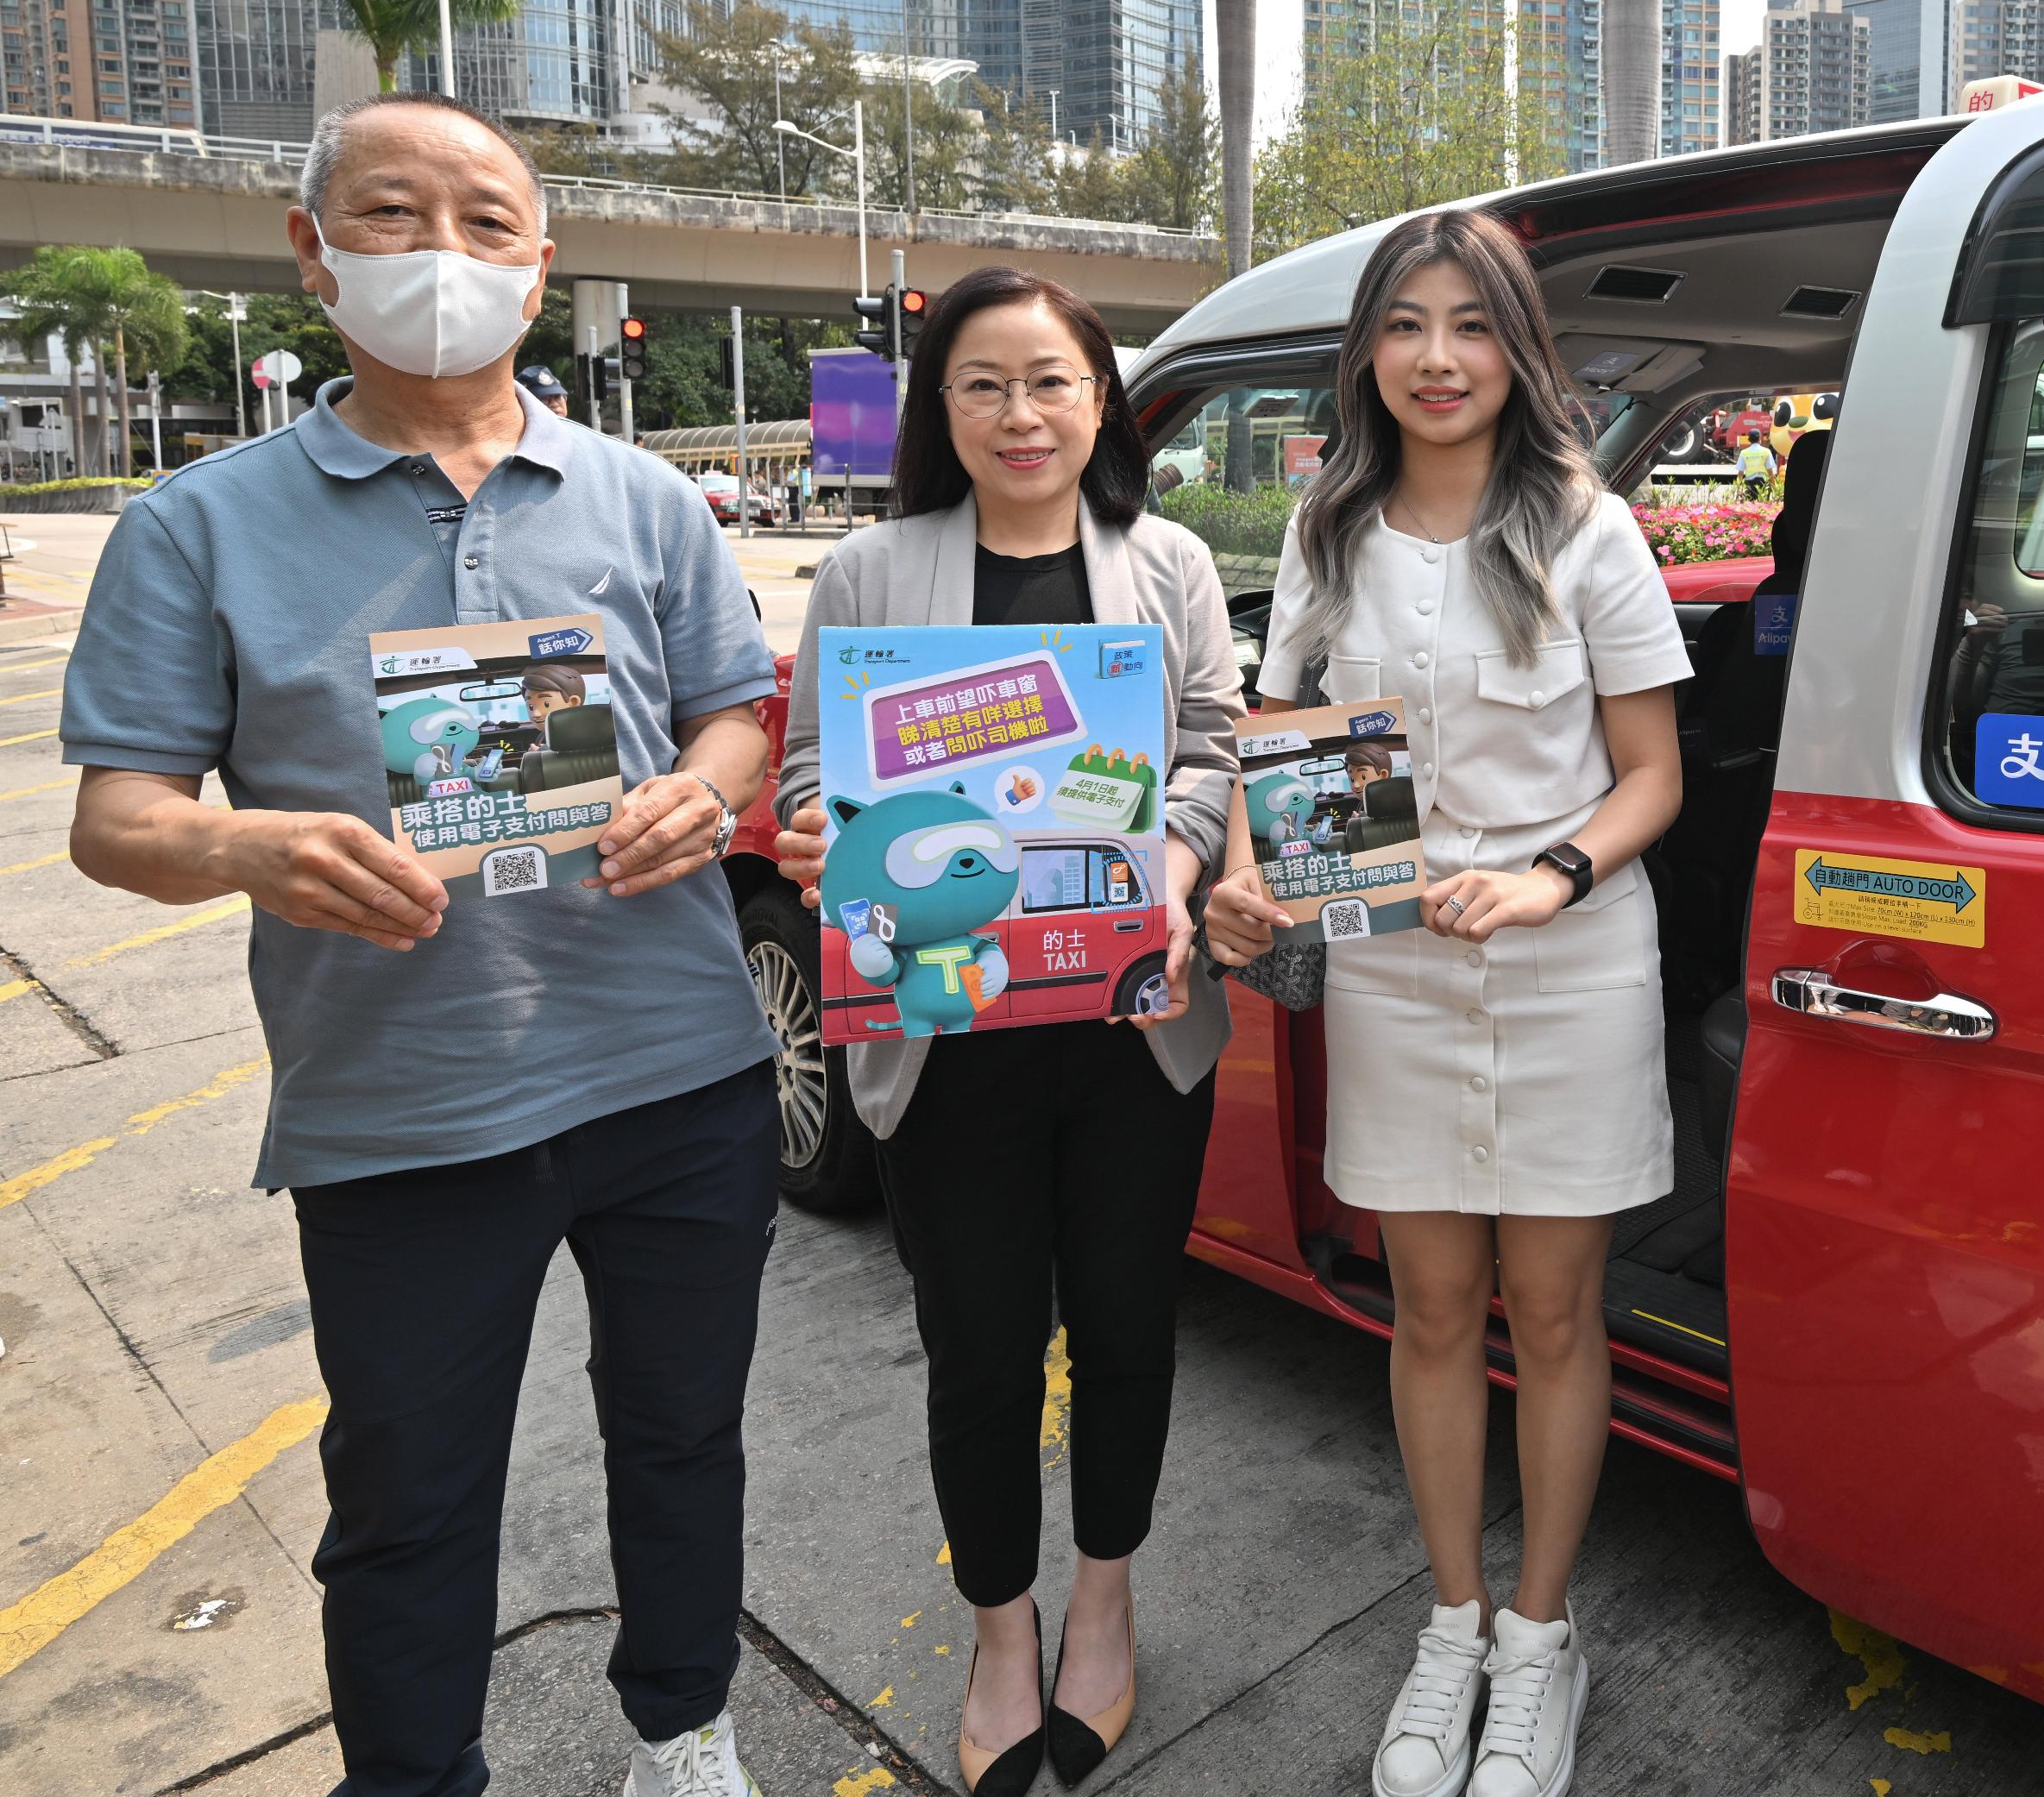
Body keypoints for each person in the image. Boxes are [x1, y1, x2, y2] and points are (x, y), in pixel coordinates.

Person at [61, 95, 785, 1797]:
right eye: (391, 214)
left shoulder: (645, 500)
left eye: (484, 221)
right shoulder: (198, 528)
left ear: (540, 270)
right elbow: (119, 816)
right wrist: (243, 843)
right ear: (314, 251)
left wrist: (703, 792)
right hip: (399, 1110)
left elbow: (733, 711)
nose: (440, 254)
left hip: (679, 1078)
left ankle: (684, 1726)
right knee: (408, 1492)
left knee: (681, 1442)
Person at [1204, 209, 1687, 1797]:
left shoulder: (1588, 530)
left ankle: (1542, 1642)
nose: (1435, 358)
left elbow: (1651, 776)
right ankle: (1454, 1624)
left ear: (1516, 347)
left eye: (1469, 325)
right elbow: (1277, 741)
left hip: (1567, 958)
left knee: (1551, 1315)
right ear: (1367, 355)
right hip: (1395, 963)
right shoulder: (1324, 531)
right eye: (1404, 326)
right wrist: (1245, 869)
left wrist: (1555, 872)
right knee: (1425, 1312)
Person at [771, 267, 1243, 1797]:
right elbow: (801, 781)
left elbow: (1215, 750)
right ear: (940, 408)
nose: (1021, 412)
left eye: (1050, 380)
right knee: (976, 1352)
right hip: (940, 1030)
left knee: (1123, 1331)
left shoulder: (1165, 563)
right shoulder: (867, 573)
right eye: (984, 383)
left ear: (1100, 398)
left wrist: (1164, 878)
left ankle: (1101, 1609)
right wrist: (812, 837)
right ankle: (1001, 1627)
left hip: (1132, 1031)